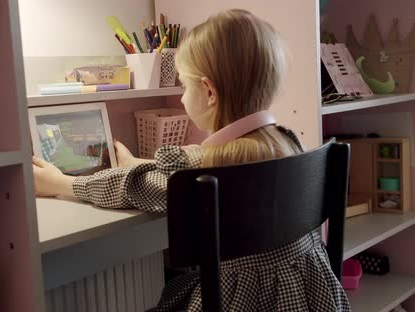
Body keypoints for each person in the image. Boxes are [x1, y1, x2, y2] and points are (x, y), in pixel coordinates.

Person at [33, 9, 350, 311]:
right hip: (309, 297)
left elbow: (131, 188)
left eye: (184, 86)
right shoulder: (290, 145)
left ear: (209, 92)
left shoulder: (200, 176)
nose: (182, 97)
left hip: (243, 301)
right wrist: (135, 161)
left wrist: (62, 182)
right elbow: (200, 157)